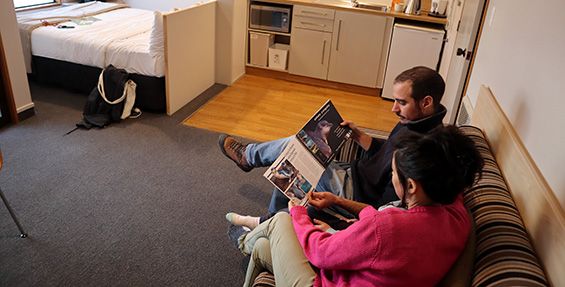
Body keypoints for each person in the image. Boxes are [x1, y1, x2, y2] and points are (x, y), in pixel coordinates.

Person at [231, 126, 484, 287]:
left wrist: (297, 209)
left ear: (412, 186)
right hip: (360, 271)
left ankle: (244, 237)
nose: (392, 177)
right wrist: (338, 201)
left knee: (282, 221)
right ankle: (251, 236)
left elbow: (320, 252)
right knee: (265, 247)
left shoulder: (388, 227)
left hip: (322, 280)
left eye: (394, 174)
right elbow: (382, 226)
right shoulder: (455, 211)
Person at [220, 66, 447, 229]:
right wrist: (358, 135)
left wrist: (340, 203)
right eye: (395, 100)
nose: (394, 109)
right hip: (354, 173)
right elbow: (385, 152)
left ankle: (249, 159)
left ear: (426, 102)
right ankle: (273, 217)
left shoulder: (423, 149)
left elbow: (385, 208)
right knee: (297, 151)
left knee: (295, 150)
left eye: (402, 102)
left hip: (355, 192)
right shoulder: (413, 122)